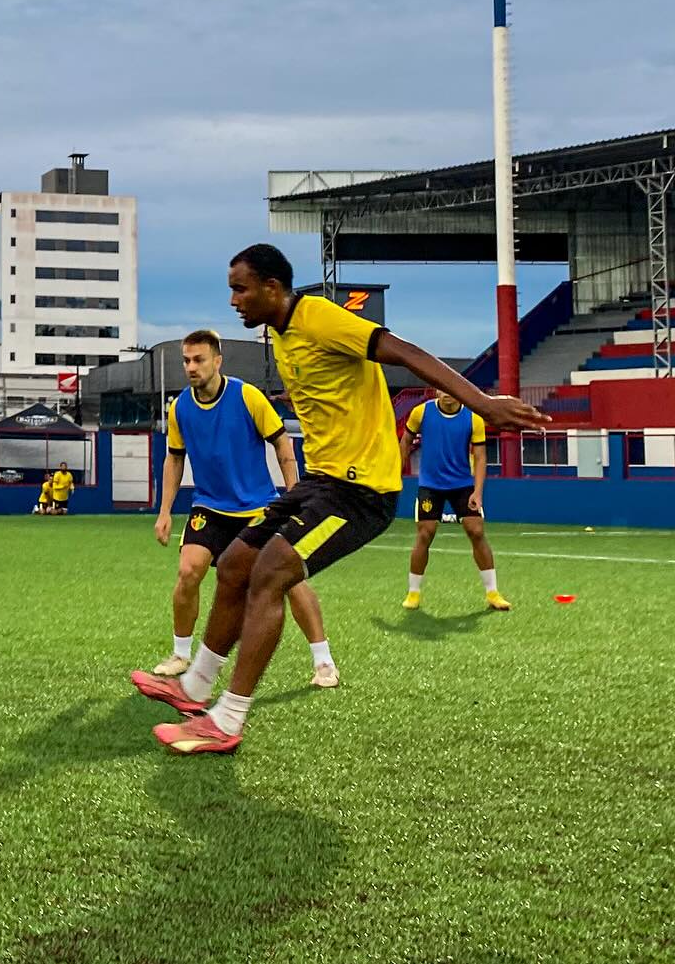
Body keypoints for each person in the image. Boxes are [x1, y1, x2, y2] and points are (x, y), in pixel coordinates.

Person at [149, 243, 547, 755]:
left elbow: (406, 352)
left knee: (269, 572)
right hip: (322, 482)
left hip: (362, 492)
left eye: (240, 288)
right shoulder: (283, 336)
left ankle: (226, 720)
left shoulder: (318, 317)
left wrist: (484, 403)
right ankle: (194, 688)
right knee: (233, 565)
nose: (233, 300)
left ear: (273, 288)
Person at [130, 329, 339, 693]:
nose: (191, 367)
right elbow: (174, 460)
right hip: (209, 506)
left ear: (217, 361)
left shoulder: (247, 396)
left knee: (292, 581)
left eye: (199, 360)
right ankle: (181, 654)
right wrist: (164, 510)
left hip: (258, 507)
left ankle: (324, 662)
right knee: (188, 570)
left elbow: (283, 444)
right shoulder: (180, 407)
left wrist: (294, 500)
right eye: (186, 360)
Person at [400, 393, 512, 611]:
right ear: (436, 391)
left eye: (449, 389)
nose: (446, 394)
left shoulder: (473, 418)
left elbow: (480, 457)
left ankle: (493, 593)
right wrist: (395, 474)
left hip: (462, 484)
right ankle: (413, 593)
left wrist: (478, 492)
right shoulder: (421, 413)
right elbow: (405, 441)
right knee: (425, 533)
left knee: (477, 531)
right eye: (441, 390)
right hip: (430, 484)